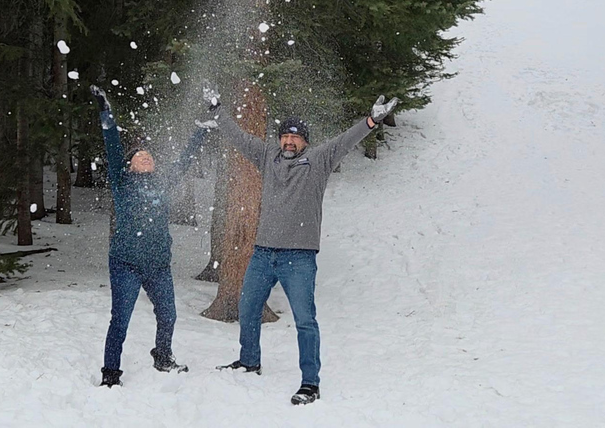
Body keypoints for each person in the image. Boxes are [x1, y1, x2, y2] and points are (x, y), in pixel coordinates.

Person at [206, 91, 399, 404]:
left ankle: (310, 383)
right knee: (248, 307)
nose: (289, 142)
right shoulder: (267, 156)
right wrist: (218, 111)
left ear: (304, 142)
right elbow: (239, 139)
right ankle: (249, 361)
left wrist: (371, 121)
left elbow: (346, 140)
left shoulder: (319, 161)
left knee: (305, 320)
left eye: (295, 138)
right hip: (263, 252)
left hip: (299, 257)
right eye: (285, 137)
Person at [91, 86, 209, 387]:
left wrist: (202, 127)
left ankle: (163, 356)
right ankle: (110, 373)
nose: (145, 157)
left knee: (168, 315)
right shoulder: (122, 182)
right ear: (130, 164)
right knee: (120, 320)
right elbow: (112, 145)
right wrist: (106, 112)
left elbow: (186, 158)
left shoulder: (163, 181)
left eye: (149, 155)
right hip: (125, 263)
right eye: (139, 155)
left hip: (158, 265)